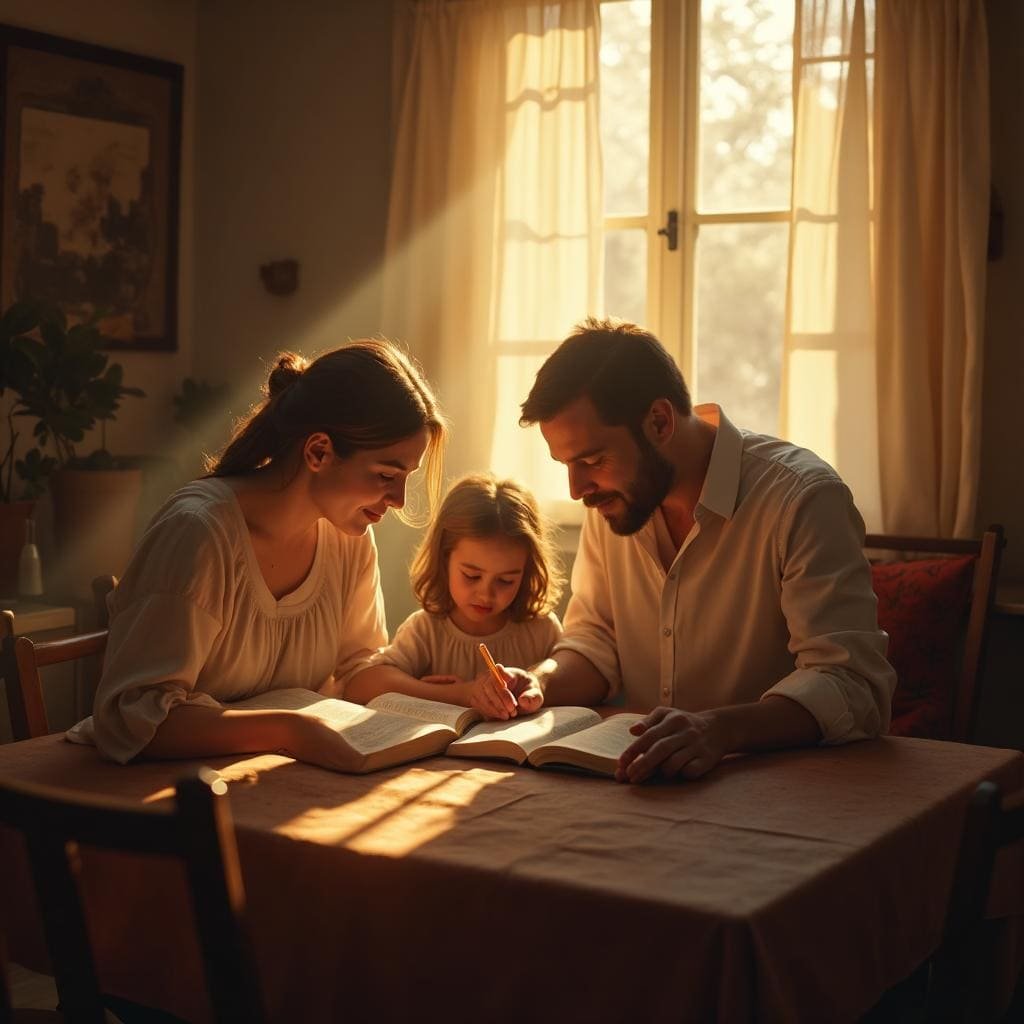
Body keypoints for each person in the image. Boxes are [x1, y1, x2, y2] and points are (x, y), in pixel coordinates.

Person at [517, 318, 896, 784]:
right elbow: (596, 640)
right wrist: (541, 682)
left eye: (592, 461)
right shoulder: (616, 502)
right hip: (642, 785)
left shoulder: (802, 499)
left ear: (659, 421)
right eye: (566, 466)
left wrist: (718, 729)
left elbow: (851, 684)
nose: (578, 490)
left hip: (780, 791)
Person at [67, 339, 447, 772]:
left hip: (272, 784)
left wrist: (463, 699)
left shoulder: (349, 537)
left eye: (405, 479)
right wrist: (290, 730)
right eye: (385, 474)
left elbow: (357, 667)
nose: (398, 500)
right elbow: (132, 718)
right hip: (162, 797)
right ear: (318, 451)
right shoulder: (199, 532)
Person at [346, 473, 562, 720]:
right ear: (444, 559)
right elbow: (360, 686)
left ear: (526, 572)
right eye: (471, 575)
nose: (486, 594)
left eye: (506, 581)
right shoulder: (427, 630)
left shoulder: (541, 629)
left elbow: (572, 678)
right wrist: (459, 694)